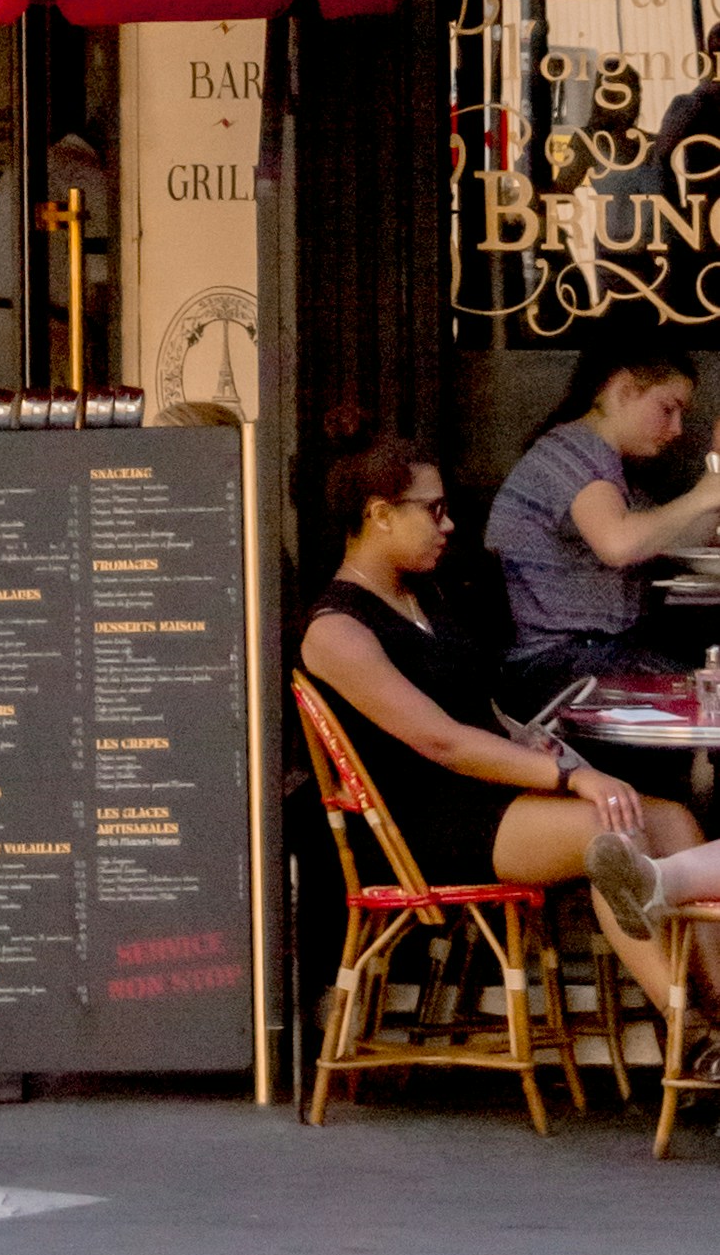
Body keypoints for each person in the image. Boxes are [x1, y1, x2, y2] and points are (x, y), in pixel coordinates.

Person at [301, 430, 704, 1024]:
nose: (449, 525)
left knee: (670, 817)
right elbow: (440, 739)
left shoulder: (424, 597)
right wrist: (568, 776)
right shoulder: (336, 630)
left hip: (487, 800)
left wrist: (523, 736)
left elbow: (476, 712)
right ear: (380, 515)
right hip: (422, 826)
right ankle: (686, 1030)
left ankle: (718, 1013)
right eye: (433, 510)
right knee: (610, 834)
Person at [484, 344, 720, 705]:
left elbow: (667, 540)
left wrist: (714, 484)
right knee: (708, 699)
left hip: (596, 658)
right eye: (668, 409)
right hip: (559, 666)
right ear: (624, 390)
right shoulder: (572, 452)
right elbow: (619, 545)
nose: (677, 430)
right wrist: (705, 494)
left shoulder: (608, 466)